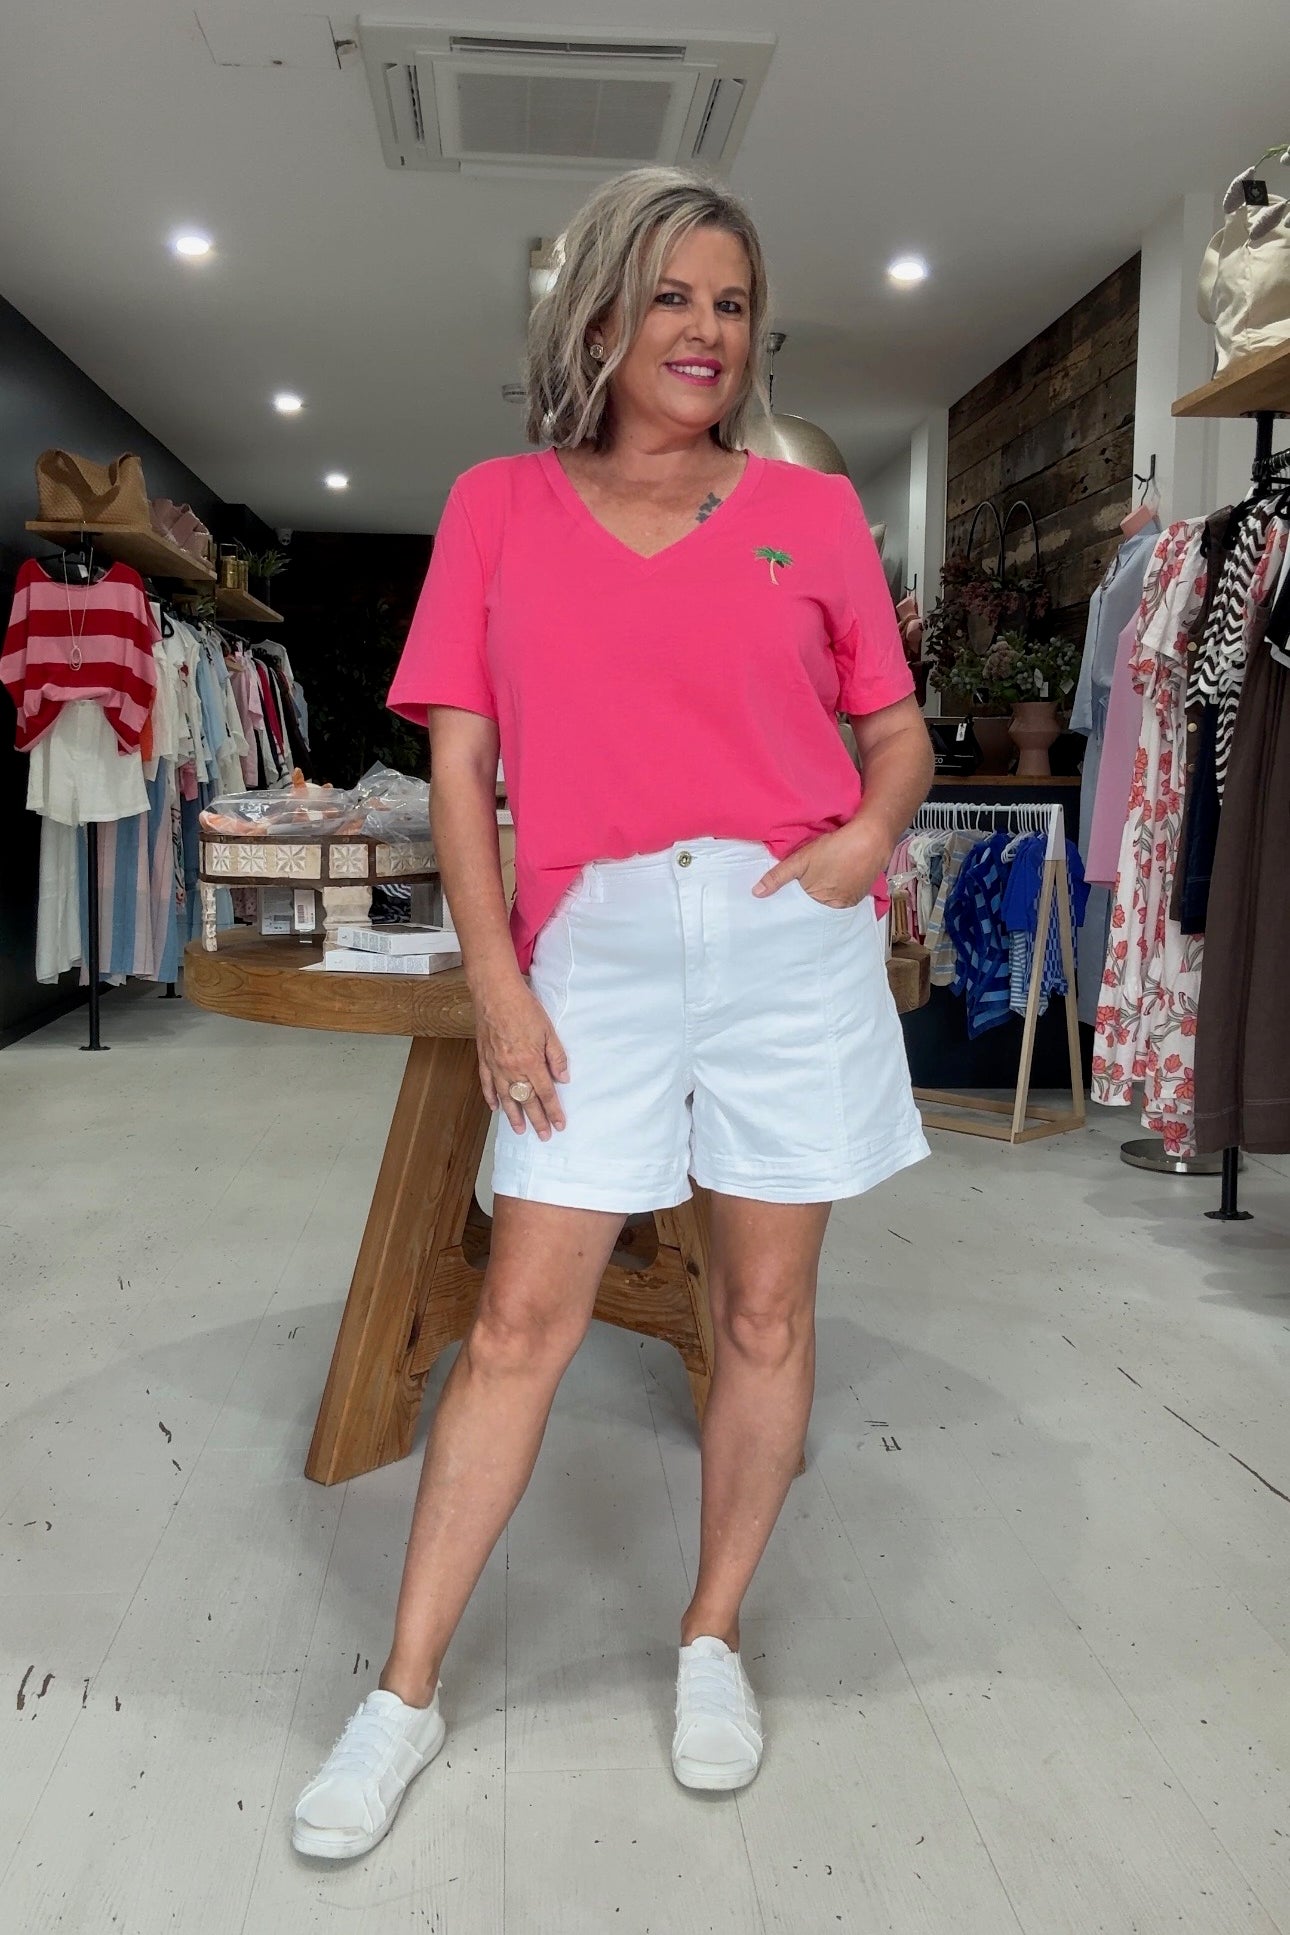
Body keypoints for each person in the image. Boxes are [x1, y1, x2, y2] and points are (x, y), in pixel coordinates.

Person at [292, 165, 933, 1862]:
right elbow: (462, 768)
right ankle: (404, 1691)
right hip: (596, 945)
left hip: (786, 937)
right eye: (672, 296)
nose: (706, 331)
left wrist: (864, 839)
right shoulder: (498, 505)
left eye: (732, 303)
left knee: (764, 1312)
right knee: (520, 1321)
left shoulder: (808, 511)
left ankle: (710, 1636)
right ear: (596, 314)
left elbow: (894, 733)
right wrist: (498, 980)